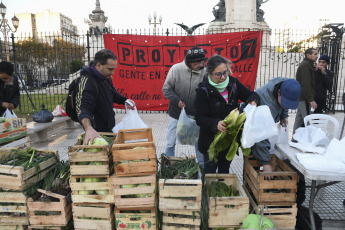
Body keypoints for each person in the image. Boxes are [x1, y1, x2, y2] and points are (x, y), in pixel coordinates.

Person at [194, 55, 259, 173]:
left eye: (225, 72)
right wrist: (215, 124)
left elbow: (251, 95)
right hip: (210, 142)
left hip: (229, 140)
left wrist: (253, 101)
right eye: (218, 74)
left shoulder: (233, 84)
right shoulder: (203, 91)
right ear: (209, 73)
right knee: (210, 173)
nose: (223, 77)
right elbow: (200, 118)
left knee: (225, 171)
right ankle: (208, 191)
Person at [76, 49, 135, 145]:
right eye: (110, 69)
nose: (113, 73)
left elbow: (113, 94)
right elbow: (83, 108)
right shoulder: (87, 82)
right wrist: (88, 128)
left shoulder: (106, 78)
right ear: (98, 65)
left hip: (109, 131)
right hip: (96, 135)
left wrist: (125, 100)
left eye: (114, 69)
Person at [162, 46, 206, 166]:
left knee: (199, 143)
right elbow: (166, 89)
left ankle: (202, 169)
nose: (201, 64)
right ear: (190, 62)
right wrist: (177, 100)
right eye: (198, 62)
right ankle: (167, 166)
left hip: (197, 115)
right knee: (171, 142)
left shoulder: (205, 72)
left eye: (202, 61)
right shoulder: (176, 69)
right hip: (177, 114)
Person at [252, 77, 301, 177]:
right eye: (285, 103)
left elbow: (284, 106)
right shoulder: (266, 105)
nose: (286, 106)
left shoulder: (286, 85)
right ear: (279, 92)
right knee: (252, 162)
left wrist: (283, 116)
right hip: (251, 130)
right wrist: (266, 163)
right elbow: (261, 136)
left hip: (262, 128)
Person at [293, 48, 319, 134]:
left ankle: (294, 139)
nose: (317, 56)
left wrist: (314, 71)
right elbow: (305, 84)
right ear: (308, 55)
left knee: (300, 119)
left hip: (302, 97)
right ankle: (307, 140)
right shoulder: (305, 65)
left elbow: (310, 81)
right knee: (308, 119)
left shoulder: (309, 64)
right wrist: (310, 99)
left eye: (317, 54)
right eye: (315, 54)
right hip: (304, 97)